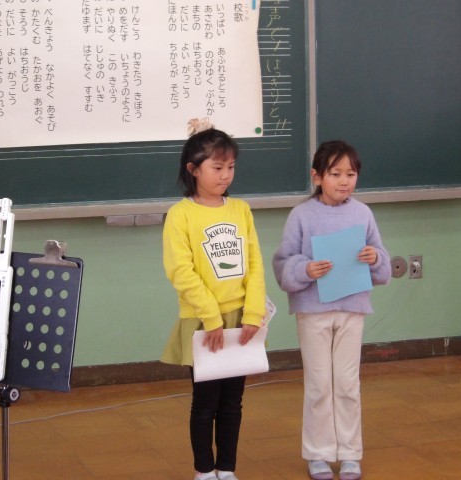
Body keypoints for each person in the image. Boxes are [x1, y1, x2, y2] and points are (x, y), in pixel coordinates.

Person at [272, 140, 391, 480]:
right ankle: (318, 454)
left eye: (350, 174)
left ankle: (351, 453)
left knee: (348, 383)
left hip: (352, 309)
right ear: (317, 176)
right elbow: (283, 265)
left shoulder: (362, 213)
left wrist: (374, 257)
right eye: (335, 173)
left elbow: (382, 265)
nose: (344, 181)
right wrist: (305, 269)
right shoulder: (301, 215)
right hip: (314, 311)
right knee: (319, 383)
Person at [160, 123, 266, 480]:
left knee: (233, 403)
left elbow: (255, 264)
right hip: (204, 322)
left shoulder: (241, 209)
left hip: (241, 320)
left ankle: (227, 468)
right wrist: (211, 317)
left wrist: (253, 313)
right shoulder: (181, 214)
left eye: (231, 167)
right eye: (217, 167)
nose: (226, 175)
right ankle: (204, 470)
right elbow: (181, 271)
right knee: (205, 402)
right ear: (193, 169)